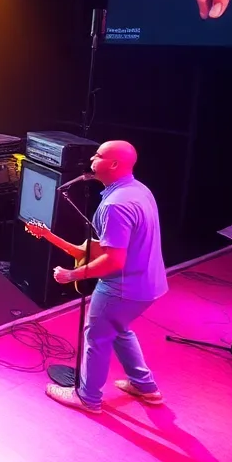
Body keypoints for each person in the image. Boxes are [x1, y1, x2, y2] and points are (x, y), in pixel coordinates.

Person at [43, 141, 167, 413]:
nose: (91, 158)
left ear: (113, 165)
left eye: (98, 155)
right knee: (119, 328)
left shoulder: (115, 205)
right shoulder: (139, 190)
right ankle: (146, 387)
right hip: (149, 285)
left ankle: (88, 397)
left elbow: (114, 260)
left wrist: (72, 274)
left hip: (122, 287)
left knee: (97, 337)